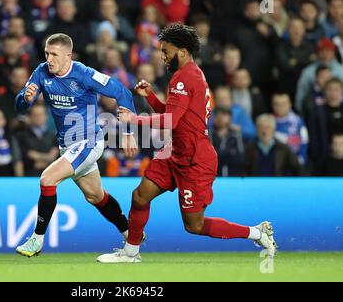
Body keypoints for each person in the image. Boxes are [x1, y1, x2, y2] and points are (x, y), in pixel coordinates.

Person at [97, 23, 277, 263]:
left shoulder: (184, 77)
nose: (162, 56)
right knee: (140, 196)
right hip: (174, 151)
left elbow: (170, 121)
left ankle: (256, 232)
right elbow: (176, 115)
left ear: (182, 51)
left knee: (194, 225)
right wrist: (151, 97)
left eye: (166, 51)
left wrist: (134, 119)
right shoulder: (189, 75)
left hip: (195, 158)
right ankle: (131, 253)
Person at [14, 33, 140, 257]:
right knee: (95, 196)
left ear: (68, 56)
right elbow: (19, 107)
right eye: (46, 53)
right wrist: (25, 97)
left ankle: (36, 240)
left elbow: (122, 93)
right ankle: (131, 234)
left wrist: (129, 132)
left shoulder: (83, 74)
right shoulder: (41, 72)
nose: (49, 59)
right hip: (67, 146)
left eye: (54, 54)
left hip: (88, 142)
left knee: (47, 179)